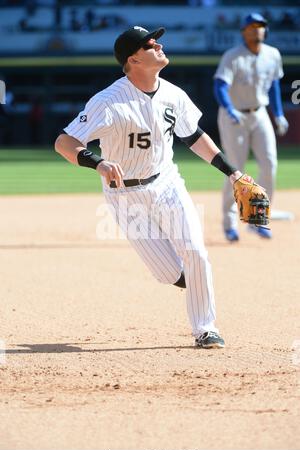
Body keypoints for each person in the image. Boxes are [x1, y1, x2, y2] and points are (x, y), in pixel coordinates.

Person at [55, 26, 256, 349]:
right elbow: (64, 142)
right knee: (167, 273)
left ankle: (205, 328)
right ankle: (196, 285)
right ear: (134, 59)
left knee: (196, 252)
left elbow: (193, 136)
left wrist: (232, 173)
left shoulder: (173, 94)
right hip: (125, 195)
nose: (159, 45)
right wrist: (98, 163)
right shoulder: (108, 101)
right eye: (150, 44)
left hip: (167, 184)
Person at [214, 13, 289, 242]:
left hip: (259, 113)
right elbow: (219, 85)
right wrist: (228, 108)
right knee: (235, 170)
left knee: (269, 165)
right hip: (233, 116)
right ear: (244, 31)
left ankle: (258, 220)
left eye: (261, 26)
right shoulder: (232, 56)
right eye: (252, 26)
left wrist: (278, 114)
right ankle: (229, 223)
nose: (257, 29)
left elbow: (274, 85)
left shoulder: (272, 54)